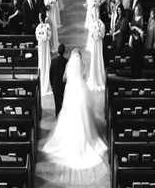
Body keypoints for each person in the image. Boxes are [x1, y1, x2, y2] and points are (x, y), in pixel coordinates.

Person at [39, 49, 109, 186]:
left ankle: (71, 137)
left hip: (71, 91)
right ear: (79, 58)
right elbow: (84, 76)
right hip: (80, 91)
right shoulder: (81, 65)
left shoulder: (68, 66)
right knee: (82, 116)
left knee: (69, 114)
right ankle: (83, 137)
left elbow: (64, 78)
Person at [87, 18, 106, 92]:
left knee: (99, 58)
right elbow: (91, 35)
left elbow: (102, 35)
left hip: (99, 43)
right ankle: (94, 77)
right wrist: (95, 33)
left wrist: (98, 32)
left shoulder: (102, 25)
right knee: (94, 58)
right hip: (95, 43)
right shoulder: (93, 24)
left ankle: (99, 77)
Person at [36, 12, 52, 96]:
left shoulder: (48, 27)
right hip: (41, 48)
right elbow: (37, 36)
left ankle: (47, 79)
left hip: (46, 47)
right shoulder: (38, 27)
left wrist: (45, 36)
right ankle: (42, 79)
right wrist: (42, 37)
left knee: (46, 62)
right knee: (41, 62)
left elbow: (49, 37)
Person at [50, 44, 68, 116]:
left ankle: (58, 114)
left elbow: (50, 73)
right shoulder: (66, 61)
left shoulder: (53, 61)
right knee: (63, 100)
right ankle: (63, 115)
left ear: (58, 51)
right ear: (64, 52)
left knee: (57, 102)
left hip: (55, 84)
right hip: (63, 85)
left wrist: (51, 83)